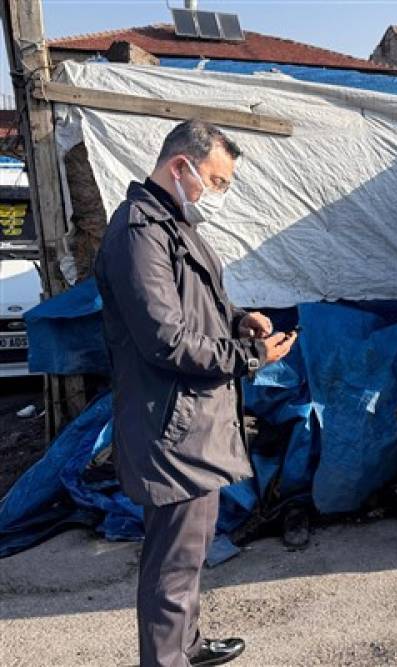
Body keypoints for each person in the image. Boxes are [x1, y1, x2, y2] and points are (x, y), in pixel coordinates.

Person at [94, 120, 297, 666]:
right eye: (217, 179)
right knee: (172, 563)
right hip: (172, 426)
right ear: (180, 166)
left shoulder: (171, 226)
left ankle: (188, 644)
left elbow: (194, 308)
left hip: (192, 422)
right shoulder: (140, 232)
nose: (219, 192)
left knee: (191, 549)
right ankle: (166, 659)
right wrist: (253, 357)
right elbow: (165, 339)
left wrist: (238, 320)